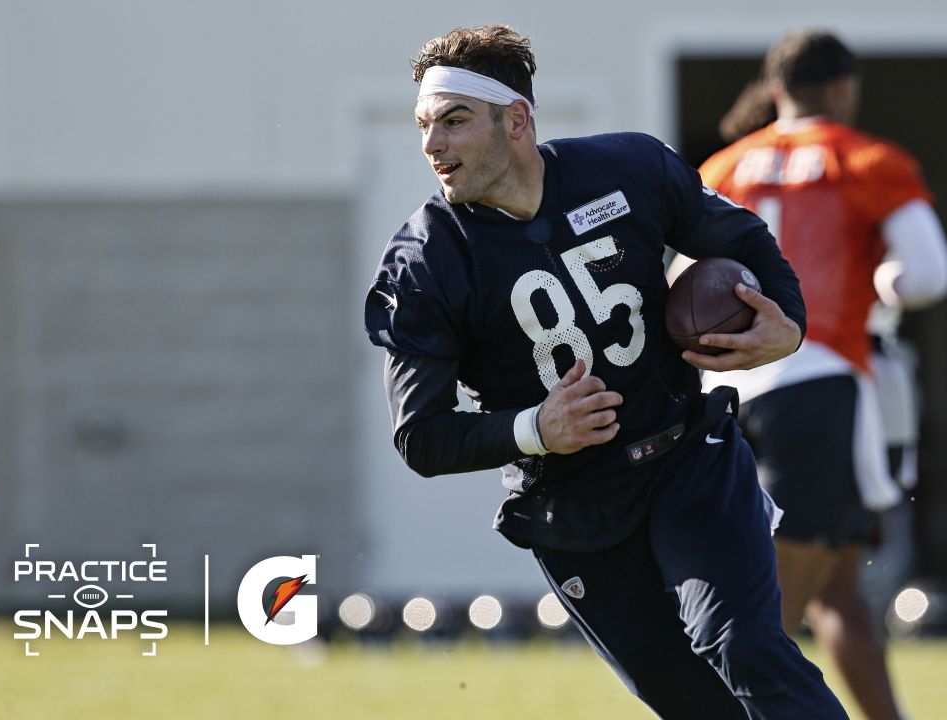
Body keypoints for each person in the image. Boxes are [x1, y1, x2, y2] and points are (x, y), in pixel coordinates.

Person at [363, 24, 847, 720]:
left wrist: (788, 322)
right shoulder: (425, 262)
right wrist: (535, 428)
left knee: (744, 646)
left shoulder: (629, 170)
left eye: (455, 121)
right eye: (423, 126)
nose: (432, 145)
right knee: (699, 706)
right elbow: (421, 436)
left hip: (686, 459)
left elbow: (740, 235)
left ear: (518, 120)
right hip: (573, 505)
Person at [687, 29, 947, 720]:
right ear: (844, 88)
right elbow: (928, 273)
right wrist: (887, 284)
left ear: (776, 91)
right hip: (817, 388)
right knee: (762, 628)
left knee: (839, 595)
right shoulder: (865, 159)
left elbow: (677, 287)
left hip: (726, 396)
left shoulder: (721, 167)